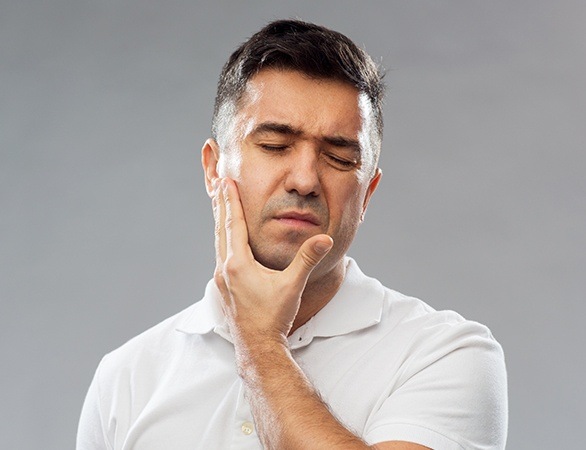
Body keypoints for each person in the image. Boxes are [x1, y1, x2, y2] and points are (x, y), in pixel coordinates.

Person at [77, 19, 508, 449]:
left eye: (339, 157)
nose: (304, 180)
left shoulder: (446, 354)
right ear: (213, 170)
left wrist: (260, 342)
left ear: (368, 194)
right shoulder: (125, 378)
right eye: (274, 146)